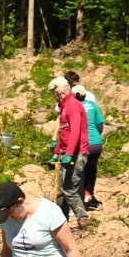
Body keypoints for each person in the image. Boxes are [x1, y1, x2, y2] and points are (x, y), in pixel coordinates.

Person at [49, 75, 89, 220]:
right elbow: (65, 132)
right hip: (66, 152)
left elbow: (75, 132)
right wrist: (56, 153)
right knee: (60, 191)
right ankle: (61, 221)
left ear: (59, 92)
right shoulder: (64, 106)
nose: (54, 96)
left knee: (69, 190)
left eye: (54, 94)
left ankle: (84, 220)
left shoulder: (73, 105)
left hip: (77, 152)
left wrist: (70, 154)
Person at [67, 72, 106, 210]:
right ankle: (88, 194)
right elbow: (100, 124)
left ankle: (78, 202)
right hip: (96, 144)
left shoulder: (73, 106)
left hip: (82, 144)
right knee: (91, 168)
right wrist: (95, 136)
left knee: (78, 171)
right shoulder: (92, 104)